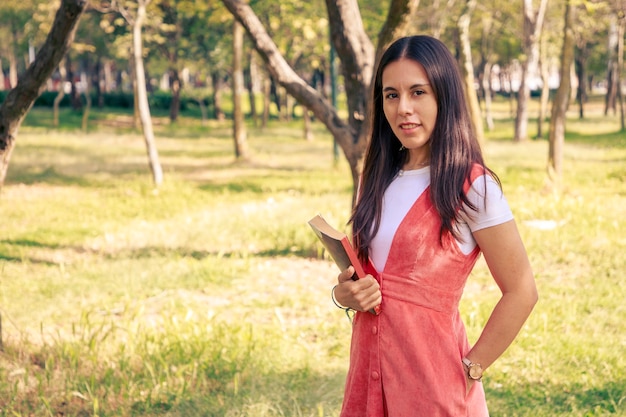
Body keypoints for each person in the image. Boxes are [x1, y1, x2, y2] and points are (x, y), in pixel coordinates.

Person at [331, 35, 538, 417]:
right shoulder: (374, 179)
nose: (403, 108)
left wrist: (471, 369)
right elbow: (365, 279)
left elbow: (522, 289)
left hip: (434, 389)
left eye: (418, 92)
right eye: (391, 95)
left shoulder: (473, 187)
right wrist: (344, 295)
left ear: (444, 96)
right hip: (368, 380)